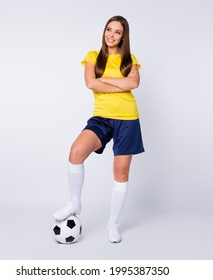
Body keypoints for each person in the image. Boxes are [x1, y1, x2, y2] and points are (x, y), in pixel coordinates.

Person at [53, 15, 144, 243]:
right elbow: (91, 83)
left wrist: (106, 81)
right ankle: (75, 203)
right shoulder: (93, 56)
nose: (111, 35)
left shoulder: (130, 60)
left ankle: (112, 224)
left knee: (121, 174)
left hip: (127, 119)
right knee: (76, 152)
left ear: (124, 37)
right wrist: (119, 82)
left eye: (117, 32)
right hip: (102, 118)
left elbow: (133, 84)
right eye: (109, 30)